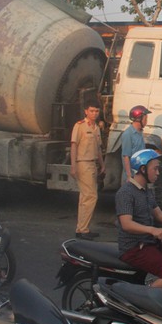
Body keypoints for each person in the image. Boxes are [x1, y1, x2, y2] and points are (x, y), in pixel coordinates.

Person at [116, 149, 162, 287]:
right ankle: (143, 299)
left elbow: (160, 215)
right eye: (155, 169)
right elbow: (126, 224)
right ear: (143, 169)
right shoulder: (126, 192)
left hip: (149, 244)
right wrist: (152, 230)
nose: (158, 173)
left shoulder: (146, 191)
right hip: (134, 248)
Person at [70, 101, 105, 240]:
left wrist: (102, 165)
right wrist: (73, 166)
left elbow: (99, 149)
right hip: (83, 163)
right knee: (91, 196)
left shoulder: (96, 128)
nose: (94, 113)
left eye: (96, 111)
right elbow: (74, 146)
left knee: (85, 197)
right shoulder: (79, 126)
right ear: (86, 111)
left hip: (92, 164)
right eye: (91, 111)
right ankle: (82, 229)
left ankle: (82, 228)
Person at [122, 105, 151, 182]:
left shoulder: (140, 132)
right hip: (132, 177)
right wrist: (129, 176)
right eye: (145, 118)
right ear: (139, 118)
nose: (146, 121)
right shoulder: (128, 134)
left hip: (140, 175)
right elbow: (126, 156)